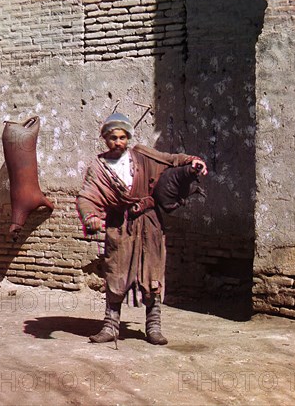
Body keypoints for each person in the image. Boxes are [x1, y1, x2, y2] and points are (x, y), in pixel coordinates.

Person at [76, 113, 207, 345]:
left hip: (149, 222)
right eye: (113, 137)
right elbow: (87, 196)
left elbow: (171, 159)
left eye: (123, 137)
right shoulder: (98, 168)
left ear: (128, 137)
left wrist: (192, 161)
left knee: (152, 273)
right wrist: (91, 217)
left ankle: (153, 327)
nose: (118, 142)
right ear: (105, 139)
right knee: (115, 272)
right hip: (120, 225)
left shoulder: (142, 155)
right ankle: (110, 326)